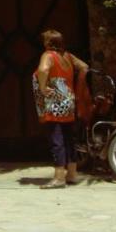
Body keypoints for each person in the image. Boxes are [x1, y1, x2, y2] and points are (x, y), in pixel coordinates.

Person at [33, 29, 89, 189]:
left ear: (49, 43)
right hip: (68, 100)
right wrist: (75, 85)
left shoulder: (48, 55)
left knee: (56, 139)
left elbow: (43, 70)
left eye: (45, 40)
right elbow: (84, 67)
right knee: (69, 138)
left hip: (55, 101)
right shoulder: (68, 56)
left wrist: (43, 87)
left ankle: (59, 177)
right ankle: (72, 174)